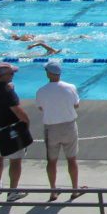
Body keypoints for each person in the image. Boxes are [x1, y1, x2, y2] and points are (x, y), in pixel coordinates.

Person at [0, 62, 31, 201]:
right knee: (15, 160)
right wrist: (26, 124)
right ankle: (13, 192)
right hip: (11, 129)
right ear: (3, 76)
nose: (13, 75)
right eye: (11, 73)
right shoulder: (7, 91)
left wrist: (9, 88)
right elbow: (19, 111)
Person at [35, 60, 83, 201]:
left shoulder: (41, 91)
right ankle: (75, 190)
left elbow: (40, 108)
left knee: (51, 161)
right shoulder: (70, 87)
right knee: (72, 160)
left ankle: (53, 191)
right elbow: (76, 105)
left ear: (48, 74)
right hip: (69, 126)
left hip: (52, 129)